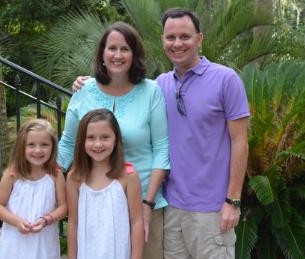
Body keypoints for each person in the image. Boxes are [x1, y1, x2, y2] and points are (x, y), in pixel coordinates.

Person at [73, 8, 249, 259]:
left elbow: (240, 141)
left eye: (185, 36)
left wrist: (233, 201)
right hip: (171, 207)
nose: (177, 43)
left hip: (211, 211)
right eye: (170, 37)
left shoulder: (225, 80)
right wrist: (86, 82)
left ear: (200, 39)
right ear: (163, 41)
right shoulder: (158, 86)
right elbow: (121, 88)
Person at [58, 22, 169, 259]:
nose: (118, 55)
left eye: (125, 49)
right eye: (112, 48)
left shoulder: (152, 91)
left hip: (144, 202)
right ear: (102, 54)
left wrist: (147, 204)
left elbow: (161, 149)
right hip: (95, 205)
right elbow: (67, 144)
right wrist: (44, 177)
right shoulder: (83, 90)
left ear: (134, 54)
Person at [66, 109, 144, 259]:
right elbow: (73, 222)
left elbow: (137, 222)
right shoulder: (74, 177)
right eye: (91, 138)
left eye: (105, 137)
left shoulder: (129, 177)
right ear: (82, 141)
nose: (98, 144)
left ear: (116, 139)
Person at [0, 119, 67, 259]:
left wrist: (46, 219)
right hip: (16, 242)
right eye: (31, 145)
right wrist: (17, 221)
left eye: (44, 145)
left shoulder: (55, 175)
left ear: (53, 147)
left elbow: (64, 207)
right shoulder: (12, 175)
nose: (38, 150)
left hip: (44, 241)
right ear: (22, 147)